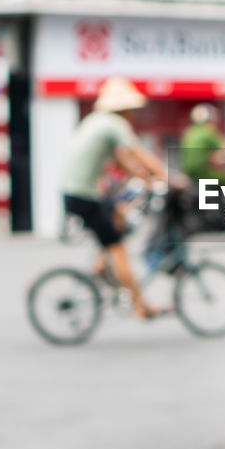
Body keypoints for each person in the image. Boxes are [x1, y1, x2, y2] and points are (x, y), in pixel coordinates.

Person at [60, 78, 167, 319]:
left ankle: (100, 263)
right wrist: (166, 175)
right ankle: (141, 305)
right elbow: (138, 152)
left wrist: (142, 177)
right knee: (118, 247)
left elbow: (124, 160)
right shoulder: (114, 124)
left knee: (117, 212)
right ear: (124, 109)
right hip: (84, 195)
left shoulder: (96, 121)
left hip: (77, 193)